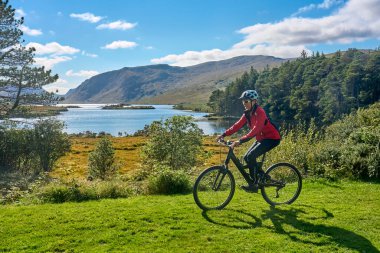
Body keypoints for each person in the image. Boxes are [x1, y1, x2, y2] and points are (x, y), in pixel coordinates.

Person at [216, 90, 281, 192]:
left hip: (272, 138)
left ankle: (254, 184)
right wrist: (223, 134)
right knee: (247, 157)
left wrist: (240, 141)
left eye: (246, 101)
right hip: (261, 139)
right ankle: (262, 177)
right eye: (243, 101)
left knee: (251, 156)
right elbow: (236, 126)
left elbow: (256, 129)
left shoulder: (260, 112)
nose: (244, 104)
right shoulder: (247, 113)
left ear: (254, 101)